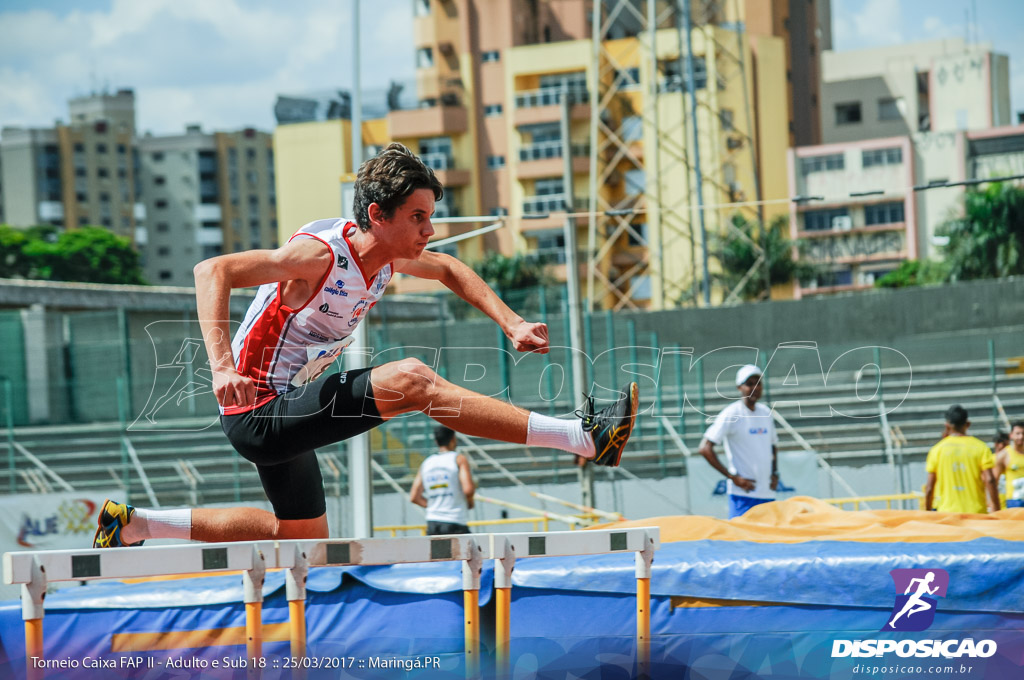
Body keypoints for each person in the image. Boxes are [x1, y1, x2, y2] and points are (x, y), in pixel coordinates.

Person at [93, 142, 639, 548]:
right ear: (377, 216)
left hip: (284, 411)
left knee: (304, 539)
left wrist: (512, 322)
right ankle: (584, 438)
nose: (429, 229)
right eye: (418, 218)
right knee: (411, 379)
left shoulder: (386, 256)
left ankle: (135, 525)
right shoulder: (317, 257)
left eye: (431, 216)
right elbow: (211, 269)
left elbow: (448, 268)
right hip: (256, 410)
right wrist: (219, 366)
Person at [699, 364, 778, 519]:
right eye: (749, 384)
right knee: (743, 541)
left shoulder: (766, 412)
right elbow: (705, 448)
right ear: (739, 387)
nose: (755, 387)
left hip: (767, 494)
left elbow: (773, 445)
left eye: (758, 383)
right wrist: (733, 478)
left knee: (770, 541)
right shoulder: (732, 413)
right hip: (743, 495)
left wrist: (775, 474)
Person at [923, 405, 999, 514]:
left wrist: (928, 511)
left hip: (948, 513)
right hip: (976, 512)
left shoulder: (937, 449)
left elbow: (930, 487)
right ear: (967, 424)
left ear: (947, 425)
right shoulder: (981, 447)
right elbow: (990, 480)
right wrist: (996, 509)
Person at [409, 426, 475, 535]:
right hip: (455, 521)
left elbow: (414, 497)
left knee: (438, 553)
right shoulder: (458, 459)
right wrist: (469, 503)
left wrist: (434, 507)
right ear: (453, 439)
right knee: (465, 552)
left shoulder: (427, 463)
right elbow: (468, 490)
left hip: (433, 522)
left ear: (436, 441)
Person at [994, 421, 1024, 508]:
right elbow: (995, 481)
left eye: (1023, 433)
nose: (1021, 436)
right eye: (1017, 433)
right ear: (1011, 435)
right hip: (1014, 501)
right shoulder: (1004, 455)